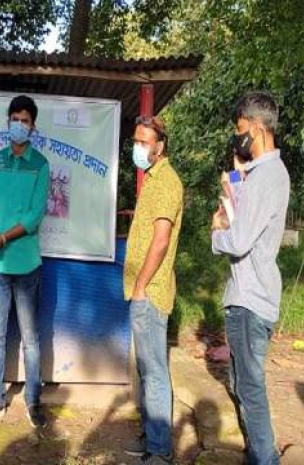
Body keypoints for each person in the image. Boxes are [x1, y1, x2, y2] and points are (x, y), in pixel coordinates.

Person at [212, 91, 290, 465]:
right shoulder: (264, 175)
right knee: (242, 382)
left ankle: (265, 458)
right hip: (253, 294)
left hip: (249, 299)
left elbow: (239, 240)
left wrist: (216, 234)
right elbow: (246, 221)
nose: (238, 138)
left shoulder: (267, 176)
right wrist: (234, 188)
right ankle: (259, 454)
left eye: (241, 130)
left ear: (257, 128)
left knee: (250, 387)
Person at [0, 95, 49, 428]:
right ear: (8, 122)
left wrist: (3, 237)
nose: (19, 124)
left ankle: (33, 402)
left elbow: (34, 216)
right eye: (14, 118)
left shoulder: (40, 164)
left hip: (27, 263)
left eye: (25, 120)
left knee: (31, 339)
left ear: (33, 127)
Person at [121, 116, 184, 465]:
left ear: (160, 146)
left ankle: (160, 452)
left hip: (151, 292)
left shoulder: (166, 183)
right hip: (143, 291)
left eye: (144, 142)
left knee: (155, 372)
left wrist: (142, 285)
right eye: (136, 141)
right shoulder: (154, 180)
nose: (138, 148)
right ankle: (151, 439)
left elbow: (160, 241)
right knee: (147, 369)